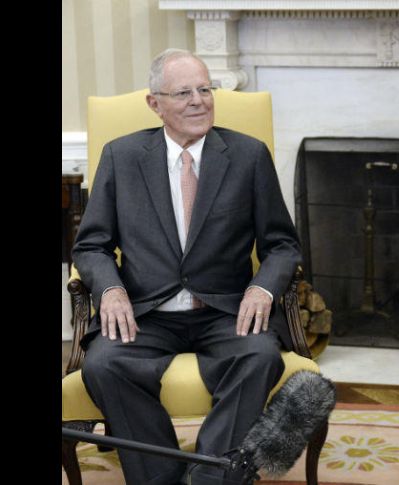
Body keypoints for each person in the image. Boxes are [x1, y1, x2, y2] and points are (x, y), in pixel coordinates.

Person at [72, 48, 302, 485]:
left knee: (259, 357)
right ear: (154, 103)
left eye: (205, 89)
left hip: (225, 311)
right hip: (146, 313)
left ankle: (209, 477)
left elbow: (282, 244)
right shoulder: (121, 156)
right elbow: (91, 245)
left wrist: (262, 289)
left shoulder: (248, 155)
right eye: (184, 93)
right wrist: (110, 290)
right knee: (103, 365)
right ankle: (160, 475)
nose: (199, 101)